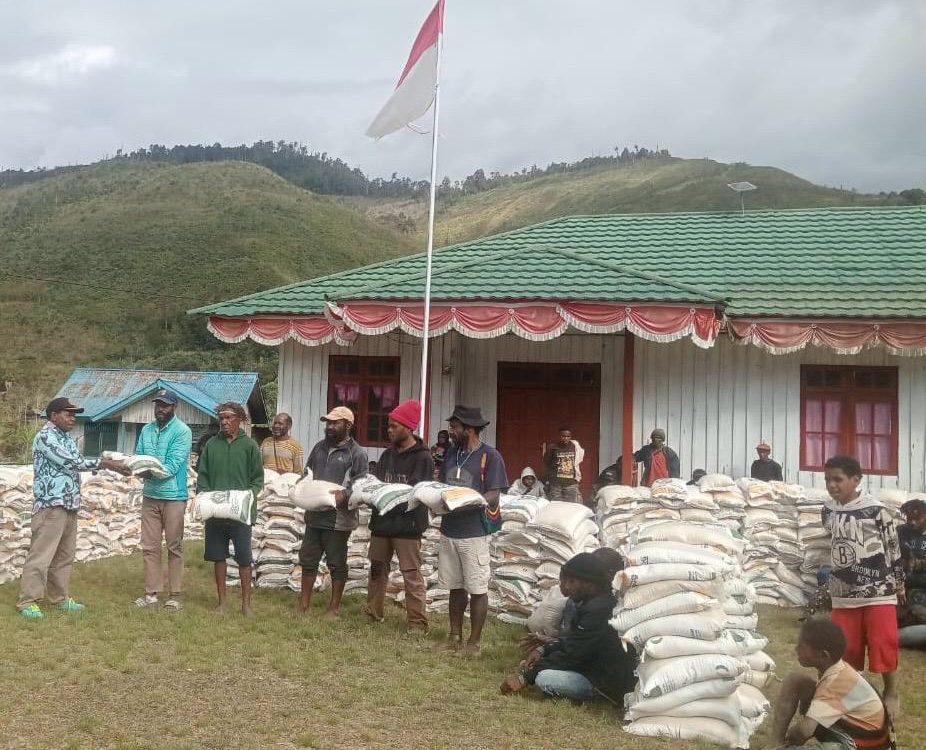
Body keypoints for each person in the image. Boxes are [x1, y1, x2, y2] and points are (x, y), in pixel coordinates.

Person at [17, 398, 129, 619]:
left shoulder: (66, 438)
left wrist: (105, 462)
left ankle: (59, 599)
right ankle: (28, 601)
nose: (73, 418)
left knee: (64, 556)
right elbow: (71, 462)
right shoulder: (46, 437)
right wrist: (104, 463)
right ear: (53, 415)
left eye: (74, 414)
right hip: (51, 505)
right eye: (68, 414)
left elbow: (78, 459)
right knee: (41, 555)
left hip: (69, 504)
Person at [821, 455, 903, 719]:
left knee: (883, 642)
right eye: (827, 480)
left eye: (838, 479)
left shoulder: (877, 510)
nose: (832, 485)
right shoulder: (828, 511)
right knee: (847, 649)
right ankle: (854, 694)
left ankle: (890, 691)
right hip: (844, 594)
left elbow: (892, 547)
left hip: (879, 591)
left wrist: (898, 583)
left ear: (856, 480)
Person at [500, 552, 637, 702]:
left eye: (571, 581)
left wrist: (524, 678)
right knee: (534, 666)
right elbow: (575, 641)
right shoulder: (590, 603)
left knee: (544, 679)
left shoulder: (600, 610)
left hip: (602, 682)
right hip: (589, 665)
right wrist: (544, 649)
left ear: (591, 583)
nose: (565, 587)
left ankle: (597, 695)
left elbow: (573, 653)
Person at [436, 405, 508, 657]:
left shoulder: (491, 456)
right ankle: (454, 636)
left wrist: (467, 499)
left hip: (473, 532)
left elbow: (494, 494)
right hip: (449, 529)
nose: (450, 431)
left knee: (477, 588)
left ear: (470, 429)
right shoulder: (451, 454)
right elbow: (443, 485)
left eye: (455, 427)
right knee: (455, 586)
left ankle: (473, 644)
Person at [364, 400, 433, 634]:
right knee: (377, 570)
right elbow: (379, 487)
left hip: (407, 526)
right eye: (389, 426)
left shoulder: (423, 458)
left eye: (394, 426)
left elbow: (415, 493)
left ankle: (417, 623)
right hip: (382, 524)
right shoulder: (386, 456)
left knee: (411, 575)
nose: (389, 430)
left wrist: (390, 495)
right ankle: (373, 613)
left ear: (408, 427)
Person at [771, 618, 891, 750]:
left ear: (824, 655)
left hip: (861, 744)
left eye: (803, 647)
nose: (796, 649)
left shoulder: (834, 683)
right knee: (795, 681)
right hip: (849, 728)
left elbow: (804, 731)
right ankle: (776, 745)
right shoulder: (838, 670)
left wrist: (793, 735)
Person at [298, 406, 368, 619]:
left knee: (336, 562)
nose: (329, 426)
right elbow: (307, 473)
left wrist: (343, 496)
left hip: (338, 520)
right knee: (308, 560)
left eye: (334, 423)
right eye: (327, 422)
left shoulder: (356, 453)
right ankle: (304, 605)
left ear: (348, 425)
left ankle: (334, 608)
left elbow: (360, 485)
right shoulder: (319, 448)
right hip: (314, 516)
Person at [196, 402, 263, 615]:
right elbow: (203, 476)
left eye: (229, 418)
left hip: (240, 512)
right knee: (218, 556)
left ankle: (246, 604)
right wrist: (206, 497)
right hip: (216, 512)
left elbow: (257, 479)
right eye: (221, 418)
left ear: (240, 420)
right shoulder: (211, 445)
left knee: (244, 557)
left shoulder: (250, 446)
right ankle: (222, 603)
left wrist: (246, 498)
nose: (224, 422)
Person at [133, 389, 193, 611]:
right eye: (158, 404)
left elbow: (172, 465)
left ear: (174, 407)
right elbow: (138, 457)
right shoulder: (147, 430)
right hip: (150, 496)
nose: (160, 409)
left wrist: (144, 471)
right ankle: (151, 593)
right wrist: (135, 468)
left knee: (174, 546)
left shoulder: (182, 431)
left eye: (165, 405)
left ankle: (175, 594)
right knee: (149, 546)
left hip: (173, 497)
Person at [897, 497, 926, 647]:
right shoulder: (900, 531)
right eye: (909, 518)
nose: (913, 522)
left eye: (917, 518)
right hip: (903, 586)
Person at [543, 427, 582, 503]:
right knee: (556, 505)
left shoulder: (575, 447)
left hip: (571, 483)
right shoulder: (552, 447)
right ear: (559, 436)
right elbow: (547, 462)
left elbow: (578, 460)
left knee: (571, 505)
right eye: (563, 436)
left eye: (568, 436)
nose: (566, 438)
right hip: (556, 483)